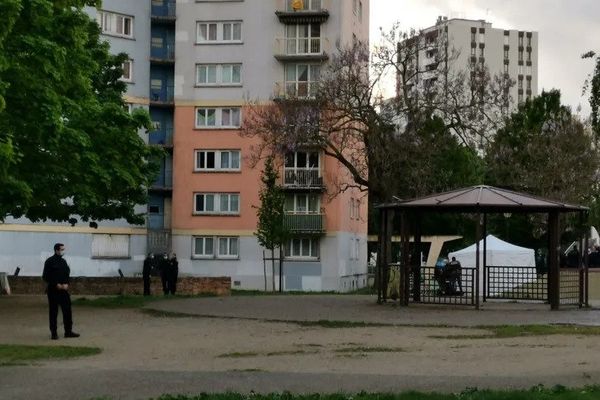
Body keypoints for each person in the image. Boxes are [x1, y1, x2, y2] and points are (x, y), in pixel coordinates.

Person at [42, 243, 79, 340]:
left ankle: (68, 331)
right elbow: (45, 276)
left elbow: (67, 274)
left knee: (67, 311)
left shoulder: (63, 262)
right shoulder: (49, 261)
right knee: (53, 312)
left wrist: (67, 283)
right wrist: (56, 284)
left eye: (63, 249)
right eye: (61, 249)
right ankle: (54, 333)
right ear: (56, 250)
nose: (63, 251)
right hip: (53, 291)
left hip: (64, 291)